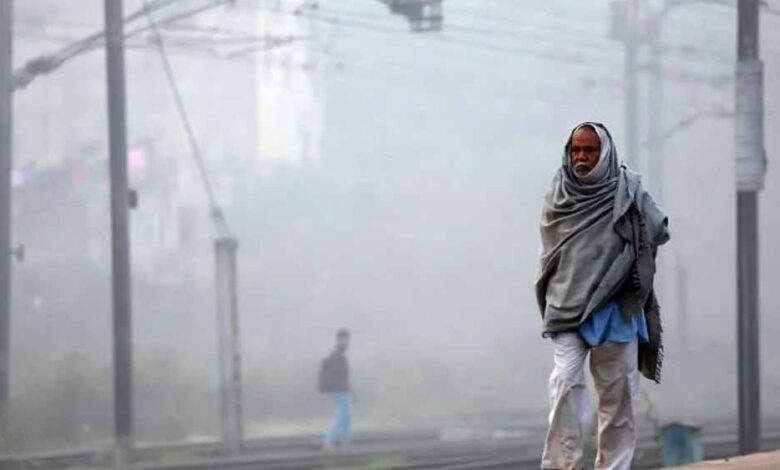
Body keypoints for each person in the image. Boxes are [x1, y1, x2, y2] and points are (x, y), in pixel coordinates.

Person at [535, 122, 670, 470]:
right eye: (576, 150)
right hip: (567, 306)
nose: (581, 157)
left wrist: (629, 260)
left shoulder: (628, 189)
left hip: (616, 307)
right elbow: (551, 253)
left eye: (590, 150)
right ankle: (563, 465)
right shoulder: (560, 194)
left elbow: (657, 228)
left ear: (605, 154)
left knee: (617, 396)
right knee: (564, 384)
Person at [318, 328, 352, 448]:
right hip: (338, 389)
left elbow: (343, 376)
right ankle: (328, 440)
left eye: (347, 339)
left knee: (346, 416)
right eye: (344, 339)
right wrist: (343, 388)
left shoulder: (340, 355)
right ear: (338, 339)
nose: (346, 341)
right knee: (342, 415)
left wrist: (349, 390)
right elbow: (338, 374)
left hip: (342, 389)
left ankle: (345, 441)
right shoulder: (336, 355)